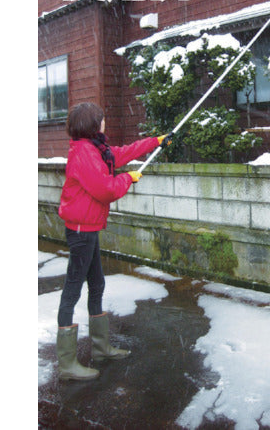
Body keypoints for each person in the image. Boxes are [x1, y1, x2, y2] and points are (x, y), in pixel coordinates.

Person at [56, 102, 171, 381]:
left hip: (89, 228)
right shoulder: (84, 153)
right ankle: (67, 364)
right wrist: (128, 179)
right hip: (81, 230)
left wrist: (154, 142)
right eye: (102, 119)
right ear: (92, 124)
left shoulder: (94, 148)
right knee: (73, 290)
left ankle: (101, 348)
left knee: (97, 284)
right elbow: (105, 190)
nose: (105, 122)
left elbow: (119, 154)